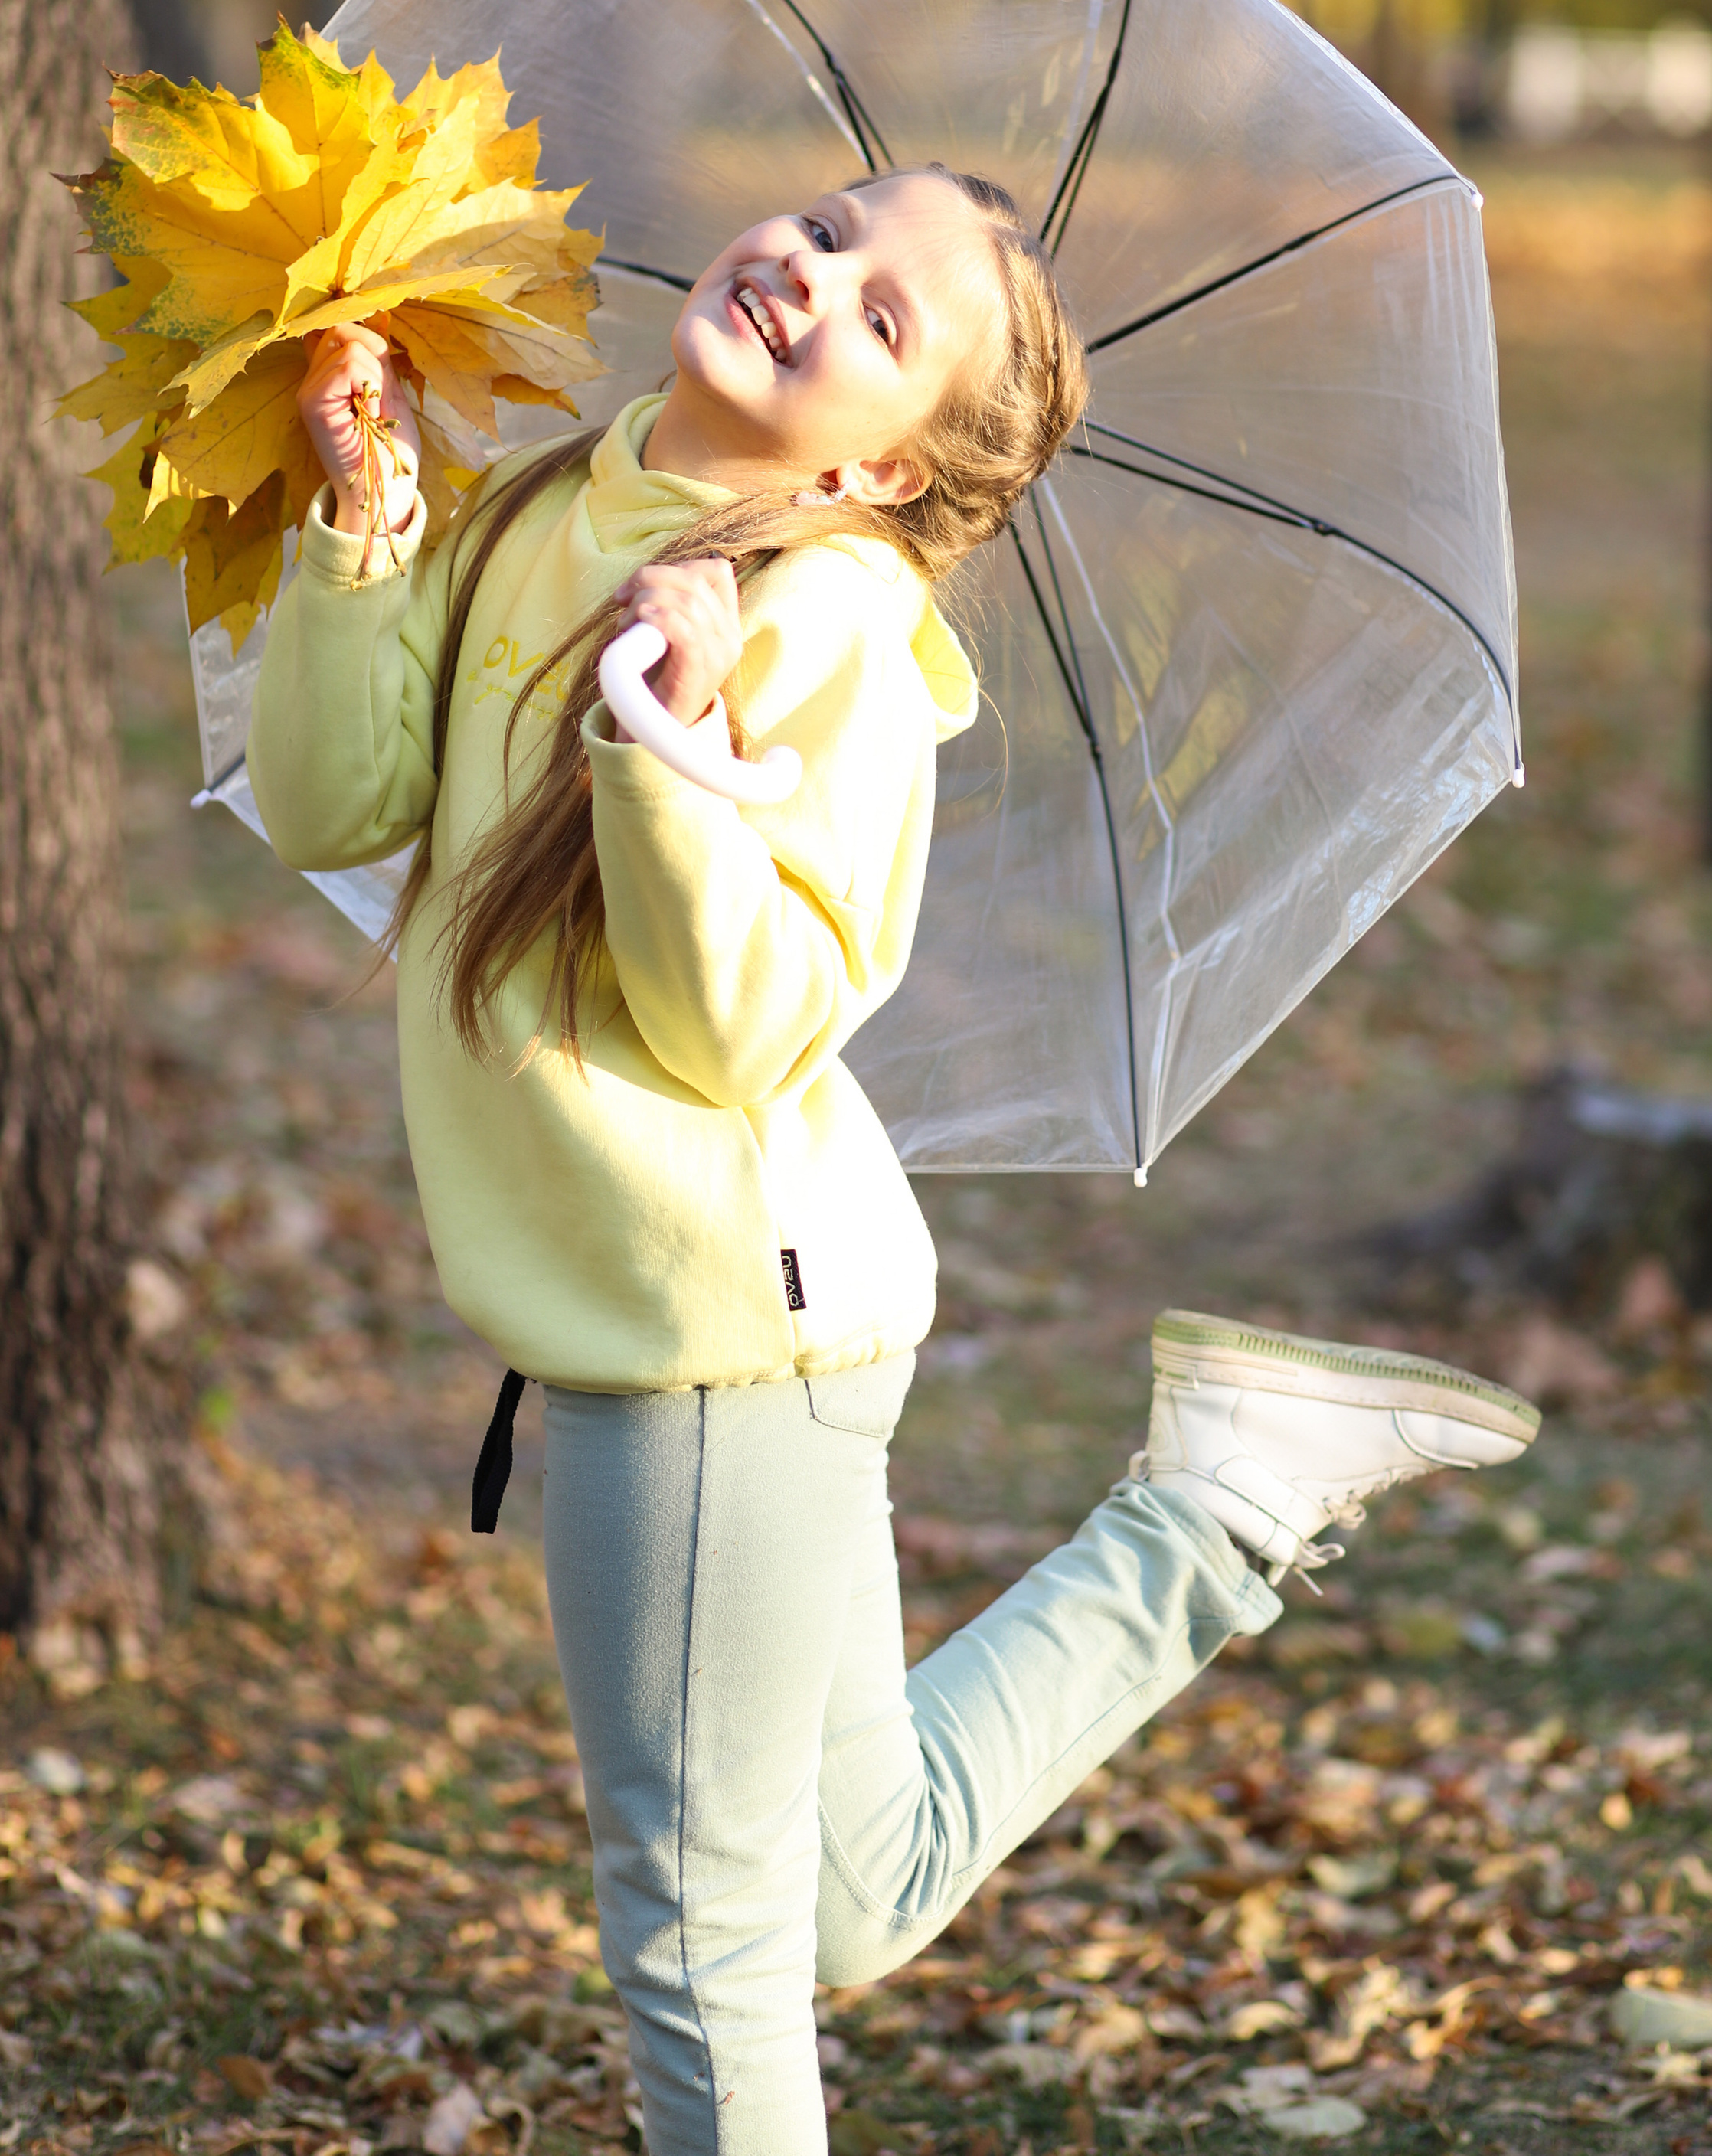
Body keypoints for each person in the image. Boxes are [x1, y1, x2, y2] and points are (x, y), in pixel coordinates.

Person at [247, 164, 1539, 2155]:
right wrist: (360, 518)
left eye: (882, 321)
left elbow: (749, 1023)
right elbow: (335, 800)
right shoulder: (551, 502)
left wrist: (668, 757)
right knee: (850, 1888)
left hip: (700, 1342)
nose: (819, 273)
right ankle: (1218, 1507)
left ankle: (1220, 1509)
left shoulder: (828, 624)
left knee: (709, 1940)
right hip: (731, 1309)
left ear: (871, 480)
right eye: (835, 225)